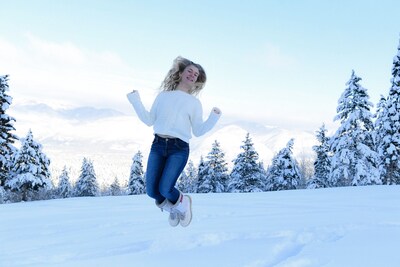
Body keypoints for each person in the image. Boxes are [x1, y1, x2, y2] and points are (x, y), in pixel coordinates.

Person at [127, 56, 221, 227]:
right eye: (190, 71)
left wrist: (214, 117)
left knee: (165, 189)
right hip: (158, 146)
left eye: (196, 74)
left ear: (197, 81)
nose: (192, 75)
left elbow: (198, 131)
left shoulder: (194, 103)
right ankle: (174, 208)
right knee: (151, 191)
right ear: (181, 73)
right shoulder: (163, 96)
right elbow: (149, 120)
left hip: (178, 149)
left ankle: (183, 202)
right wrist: (135, 100)